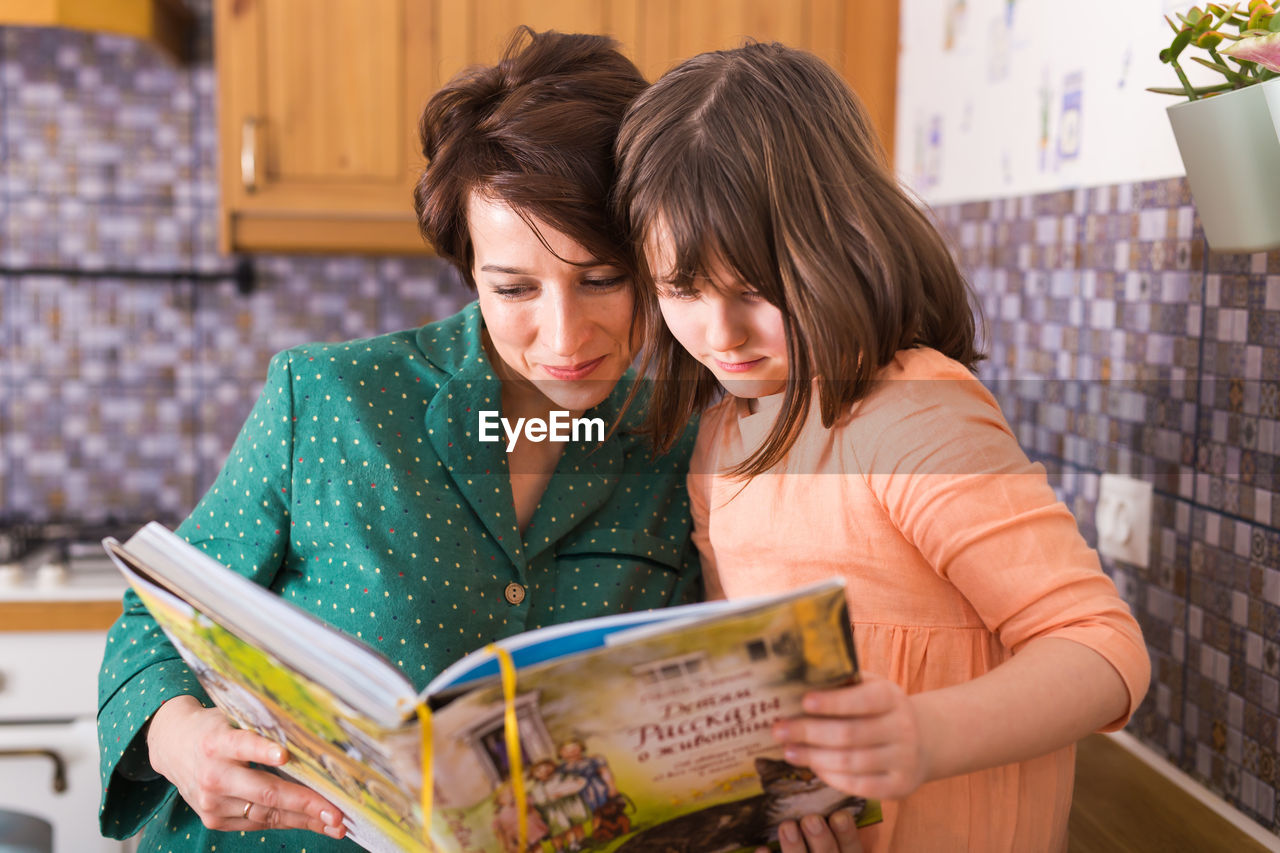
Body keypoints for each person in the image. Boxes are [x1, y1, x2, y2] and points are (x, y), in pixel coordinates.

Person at [96, 28, 705, 852]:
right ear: (468, 267)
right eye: (514, 286)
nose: (565, 334)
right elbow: (154, 620)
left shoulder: (685, 443)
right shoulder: (330, 399)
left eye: (603, 278)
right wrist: (178, 740)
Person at [614, 42, 1151, 852]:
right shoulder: (722, 439)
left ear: (838, 241)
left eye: (755, 291)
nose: (718, 333)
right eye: (682, 290)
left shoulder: (911, 412)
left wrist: (925, 734)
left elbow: (1102, 647)